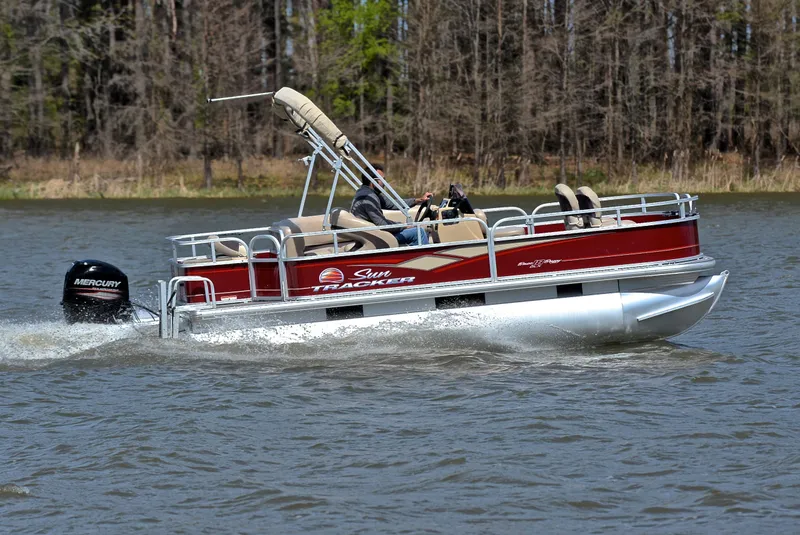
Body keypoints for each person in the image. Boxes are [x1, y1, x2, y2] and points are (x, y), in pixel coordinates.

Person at [350, 164, 433, 246]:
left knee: (417, 229)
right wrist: (403, 226)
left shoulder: (367, 193)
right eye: (383, 180)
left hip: (375, 234)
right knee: (419, 232)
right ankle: (422, 258)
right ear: (373, 182)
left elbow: (394, 204)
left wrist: (418, 200)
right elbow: (382, 224)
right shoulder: (368, 198)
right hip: (377, 237)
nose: (385, 183)